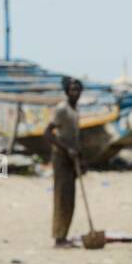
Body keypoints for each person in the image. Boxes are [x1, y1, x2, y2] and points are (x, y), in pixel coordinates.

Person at [44, 77, 82, 248]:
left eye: (78, 89)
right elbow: (48, 133)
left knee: (70, 198)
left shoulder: (75, 109)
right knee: (61, 197)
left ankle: (64, 235)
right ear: (67, 91)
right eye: (73, 90)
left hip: (72, 158)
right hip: (61, 157)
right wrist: (66, 149)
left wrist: (79, 156)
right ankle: (58, 238)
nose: (76, 93)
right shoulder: (62, 109)